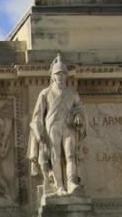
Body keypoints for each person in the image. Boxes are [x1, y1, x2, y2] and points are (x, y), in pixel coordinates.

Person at [27, 54, 86, 197]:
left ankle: (71, 182)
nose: (60, 77)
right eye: (57, 74)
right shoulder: (45, 93)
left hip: (68, 126)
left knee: (71, 155)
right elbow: (37, 116)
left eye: (63, 74)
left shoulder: (72, 93)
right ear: (53, 76)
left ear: (66, 76)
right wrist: (39, 132)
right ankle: (59, 186)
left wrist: (78, 116)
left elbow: (79, 108)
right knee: (56, 156)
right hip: (52, 126)